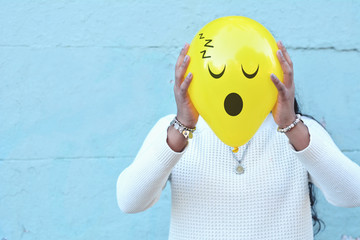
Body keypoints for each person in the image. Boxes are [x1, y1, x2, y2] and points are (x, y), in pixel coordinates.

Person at [117, 41, 360, 239]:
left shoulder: (300, 133)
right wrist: (182, 128)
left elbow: (353, 194)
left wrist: (290, 127)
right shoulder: (171, 131)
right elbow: (130, 201)